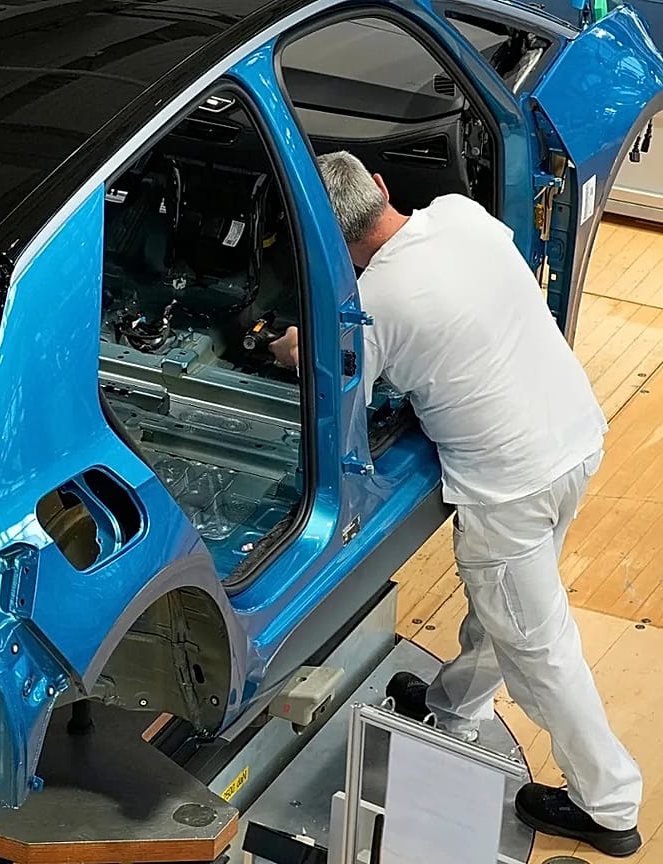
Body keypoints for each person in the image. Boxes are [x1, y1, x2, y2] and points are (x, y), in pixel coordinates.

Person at [268, 150, 642, 857]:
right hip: (574, 436)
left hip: (510, 487)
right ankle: (451, 708)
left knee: (540, 650)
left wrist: (298, 345)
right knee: (508, 611)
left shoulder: (370, 308)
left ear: (319, 235)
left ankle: (609, 804)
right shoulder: (460, 217)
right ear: (381, 186)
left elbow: (339, 386)